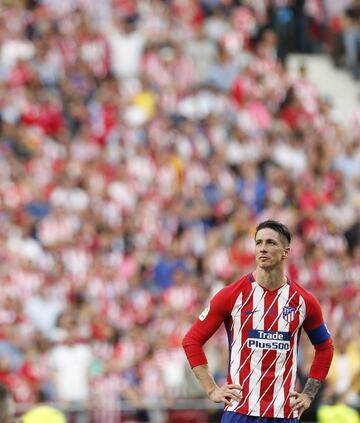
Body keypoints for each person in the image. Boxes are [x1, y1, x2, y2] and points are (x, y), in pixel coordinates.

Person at [182, 219, 334, 422]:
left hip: (283, 414)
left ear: (286, 252)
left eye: (270, 243)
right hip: (240, 413)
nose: (263, 248)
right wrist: (212, 390)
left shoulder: (304, 301)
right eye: (258, 242)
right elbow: (191, 341)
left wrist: (308, 395)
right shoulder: (231, 295)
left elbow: (325, 347)